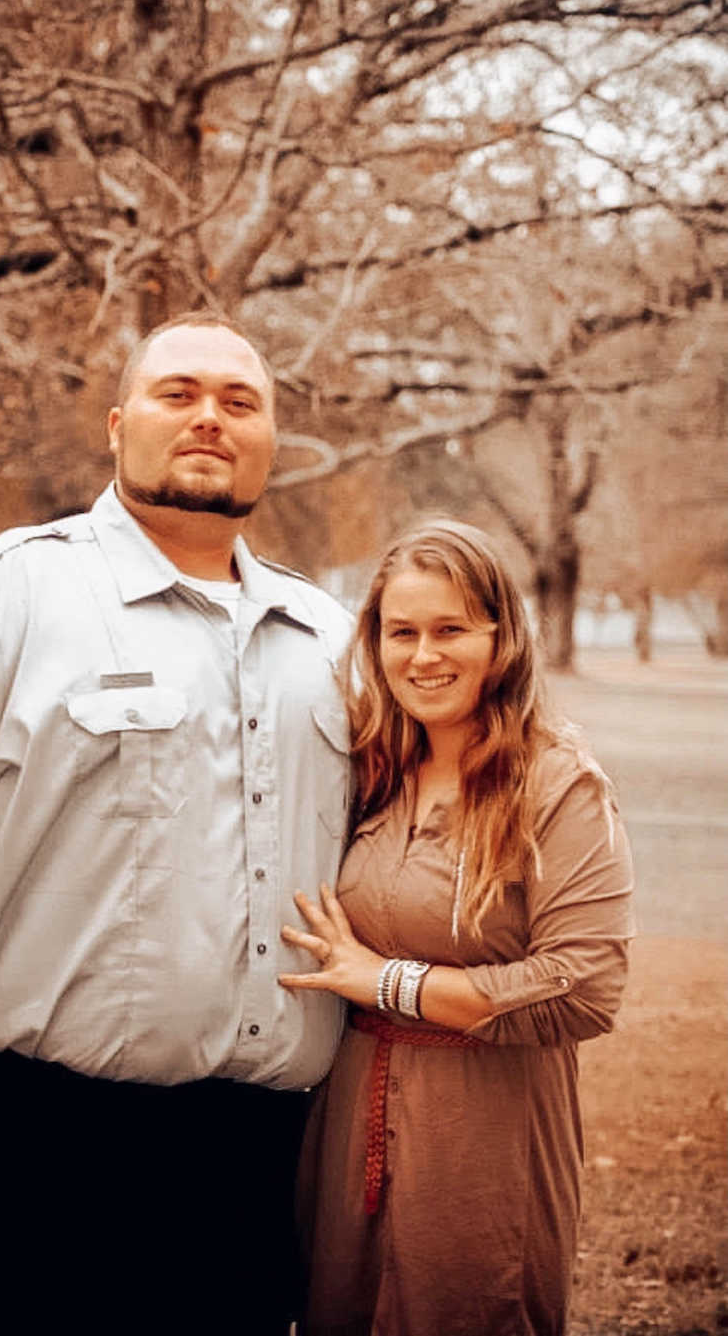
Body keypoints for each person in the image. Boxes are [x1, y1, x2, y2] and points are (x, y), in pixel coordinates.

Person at [0, 310, 354, 1336]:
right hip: (40, 1133)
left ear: (271, 442)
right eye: (180, 394)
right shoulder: (8, 594)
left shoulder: (332, 639)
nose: (211, 417)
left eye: (240, 402)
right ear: (118, 427)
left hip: (259, 1148)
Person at [279, 519, 635, 1336]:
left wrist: (390, 981)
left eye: (451, 630)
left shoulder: (557, 782)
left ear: (501, 637)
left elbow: (586, 986)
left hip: (487, 1130)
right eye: (401, 631)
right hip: (349, 1118)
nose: (423, 655)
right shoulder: (367, 766)